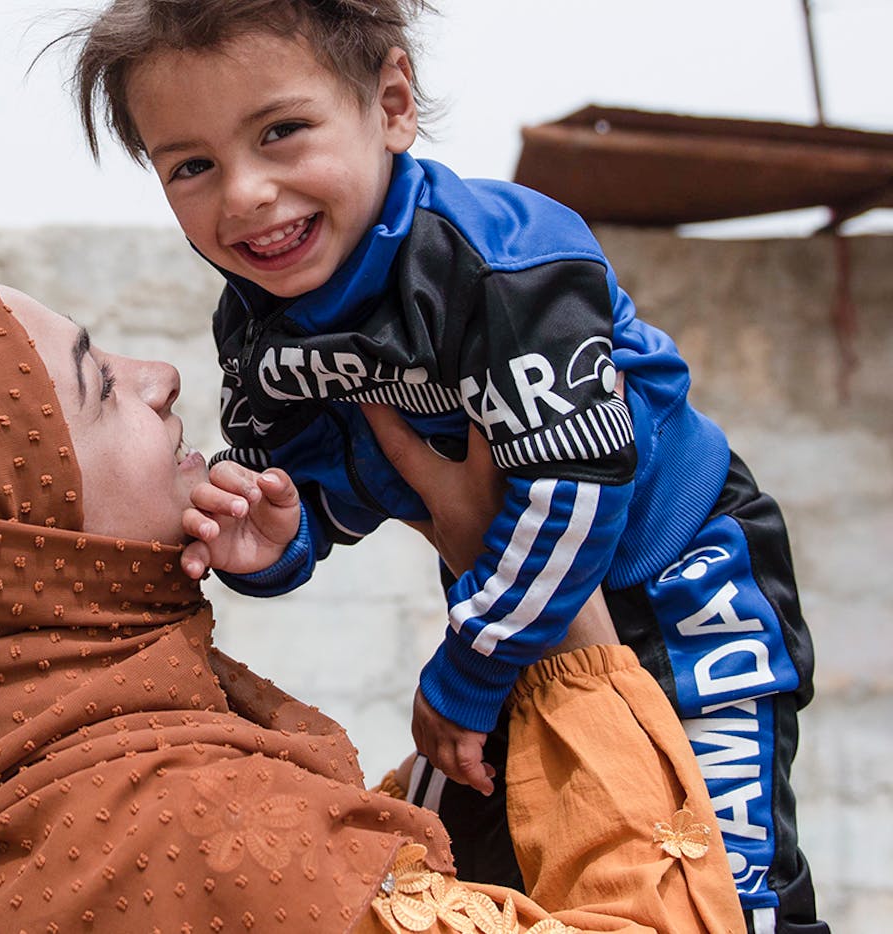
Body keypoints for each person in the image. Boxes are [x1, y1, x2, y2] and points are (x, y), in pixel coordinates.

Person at [0, 242, 747, 933]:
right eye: (100, 385)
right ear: (7, 549)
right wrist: (553, 611)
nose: (160, 379)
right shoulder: (192, 845)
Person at [66, 3, 825, 930]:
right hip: (504, 600)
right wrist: (277, 538)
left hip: (679, 587)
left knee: (721, 887)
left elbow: (577, 491)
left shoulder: (502, 265)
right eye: (192, 166)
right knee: (450, 865)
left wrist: (469, 668)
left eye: (281, 131)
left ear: (392, 105)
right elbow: (317, 485)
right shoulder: (260, 318)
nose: (246, 194)